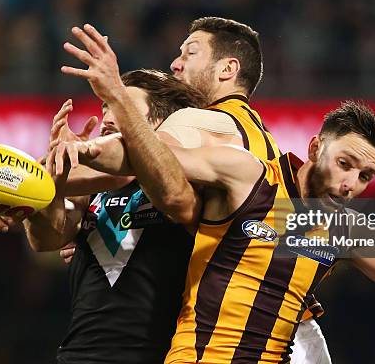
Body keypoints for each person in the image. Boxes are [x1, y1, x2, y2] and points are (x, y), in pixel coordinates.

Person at [49, 93, 375, 362]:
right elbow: (145, 161)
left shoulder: (346, 229)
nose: (350, 184)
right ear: (316, 147)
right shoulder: (249, 177)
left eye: (365, 176)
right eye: (344, 164)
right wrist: (83, 151)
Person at [57, 19, 332, 362]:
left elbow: (133, 162)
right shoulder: (264, 144)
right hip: (290, 331)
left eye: (190, 52)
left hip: (237, 341)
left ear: (227, 69)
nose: (175, 64)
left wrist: (31, 183)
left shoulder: (201, 121)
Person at [21, 69, 207, 364]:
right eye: (105, 106)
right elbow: (45, 240)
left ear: (158, 124)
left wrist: (80, 159)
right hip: (77, 354)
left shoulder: (185, 183)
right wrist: (47, 187)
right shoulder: (93, 185)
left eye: (121, 107)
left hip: (157, 354)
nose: (106, 117)